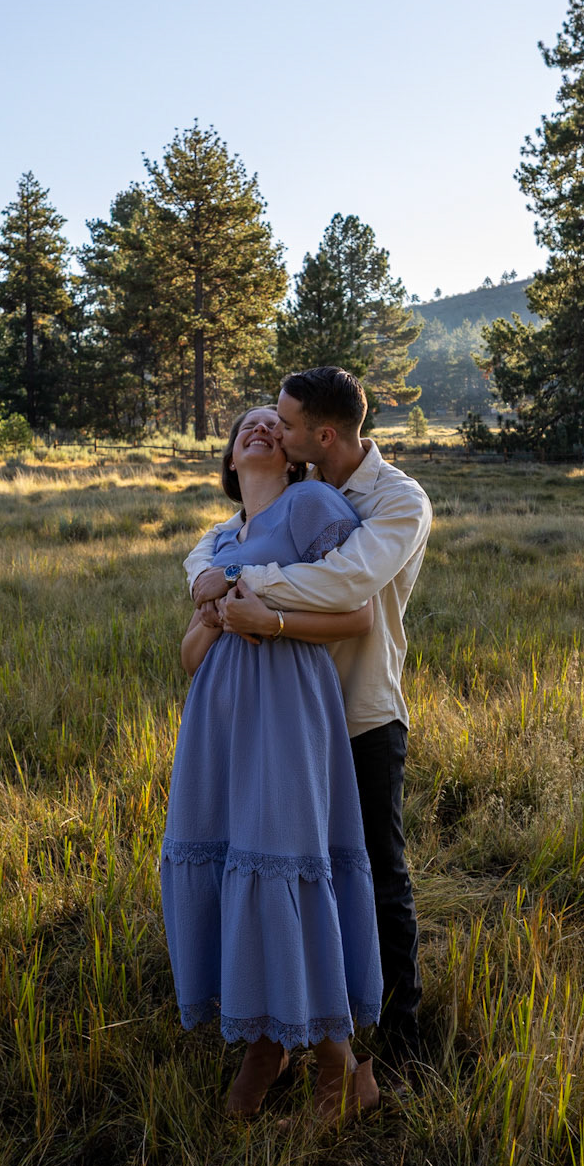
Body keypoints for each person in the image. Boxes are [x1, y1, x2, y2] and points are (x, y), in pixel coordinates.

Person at [186, 366, 433, 1075]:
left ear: (321, 436)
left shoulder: (394, 502)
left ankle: (399, 1038)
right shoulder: (297, 492)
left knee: (373, 875)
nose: (275, 432)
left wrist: (239, 584)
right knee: (287, 869)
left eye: (286, 425)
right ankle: (290, 1025)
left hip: (357, 710)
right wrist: (204, 565)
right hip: (279, 726)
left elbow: (349, 585)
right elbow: (229, 533)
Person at [162, 405, 384, 1122]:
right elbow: (191, 659)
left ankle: (337, 1062)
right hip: (218, 720)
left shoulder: (310, 504)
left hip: (288, 707)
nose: (258, 430)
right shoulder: (221, 539)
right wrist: (213, 615)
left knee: (284, 862)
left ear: (289, 453)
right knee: (236, 864)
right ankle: (265, 1041)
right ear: (229, 461)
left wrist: (269, 619)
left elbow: (357, 616)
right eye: (243, 427)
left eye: (271, 424)